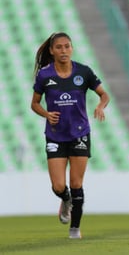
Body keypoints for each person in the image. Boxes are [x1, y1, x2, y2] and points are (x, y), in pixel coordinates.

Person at [31, 32, 110, 239]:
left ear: (72, 48)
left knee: (76, 184)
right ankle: (65, 200)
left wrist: (101, 106)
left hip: (80, 134)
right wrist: (47, 114)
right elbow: (35, 103)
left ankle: (75, 229)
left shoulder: (83, 72)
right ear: (52, 50)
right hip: (55, 135)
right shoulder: (45, 75)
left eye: (67, 46)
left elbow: (104, 94)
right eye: (59, 47)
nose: (63, 50)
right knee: (58, 186)